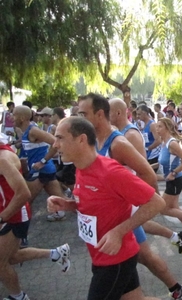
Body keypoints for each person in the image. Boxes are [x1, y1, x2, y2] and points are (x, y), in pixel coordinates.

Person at [79, 93, 182, 299]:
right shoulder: (96, 138)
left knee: (144, 255)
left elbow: (145, 172)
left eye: (83, 113)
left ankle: (178, 289)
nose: (80, 118)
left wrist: (146, 204)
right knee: (138, 264)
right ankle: (176, 268)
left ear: (104, 114)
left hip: (126, 212)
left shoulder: (124, 138)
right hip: (114, 213)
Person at [48, 117, 164, 300]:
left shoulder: (110, 172)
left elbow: (157, 202)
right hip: (102, 255)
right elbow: (96, 203)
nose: (55, 145)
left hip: (115, 260)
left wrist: (118, 232)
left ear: (81, 139)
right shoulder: (81, 167)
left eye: (60, 138)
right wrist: (69, 205)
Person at [0, 137, 70, 300]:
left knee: (1, 263)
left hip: (14, 215)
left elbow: (24, 193)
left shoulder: (2, 159)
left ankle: (18, 297)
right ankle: (56, 253)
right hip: (11, 212)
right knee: (11, 256)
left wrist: (2, 217)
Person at [12, 105, 66, 222]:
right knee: (63, 200)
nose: (11, 117)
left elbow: (56, 143)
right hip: (45, 170)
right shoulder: (26, 131)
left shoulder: (33, 131)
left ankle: (19, 234)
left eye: (14, 114)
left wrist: (42, 161)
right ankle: (88, 211)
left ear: (22, 118)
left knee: (24, 202)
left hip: (41, 170)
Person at [136, 105, 162, 170]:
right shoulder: (144, 124)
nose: (137, 116)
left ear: (144, 113)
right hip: (148, 154)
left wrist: (148, 148)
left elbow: (158, 140)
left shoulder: (152, 124)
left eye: (139, 114)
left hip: (153, 155)